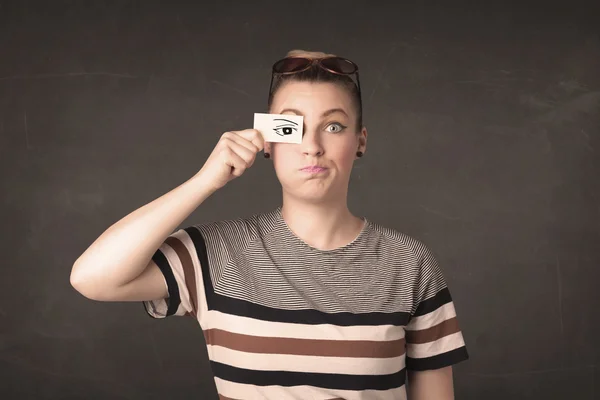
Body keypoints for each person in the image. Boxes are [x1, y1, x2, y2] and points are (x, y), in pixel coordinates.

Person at [70, 49, 469, 400]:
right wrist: (205, 180)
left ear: (360, 141)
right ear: (267, 141)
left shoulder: (409, 263)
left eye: (333, 126)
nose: (312, 145)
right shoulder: (217, 253)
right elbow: (92, 278)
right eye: (290, 127)